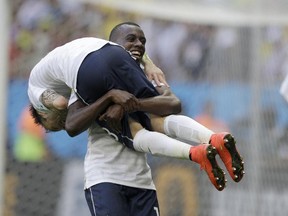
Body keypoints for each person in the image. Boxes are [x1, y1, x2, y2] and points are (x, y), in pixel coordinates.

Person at [28, 27, 244, 192]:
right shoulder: (67, 59)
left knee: (132, 130)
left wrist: (109, 100)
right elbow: (172, 104)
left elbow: (61, 107)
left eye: (52, 125)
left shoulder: (36, 91)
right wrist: (147, 62)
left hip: (87, 70)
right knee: (158, 117)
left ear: (41, 115)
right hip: (113, 54)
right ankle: (213, 138)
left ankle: (193, 153)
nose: (57, 124)